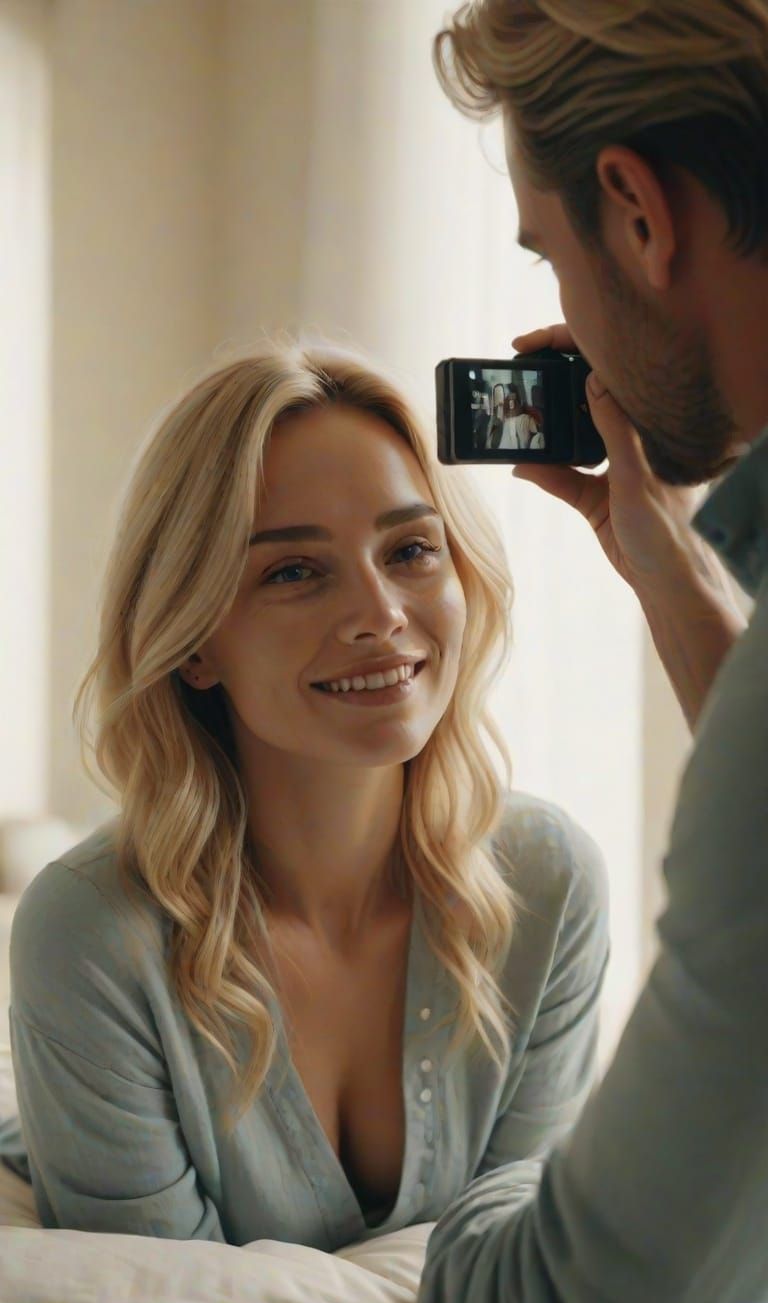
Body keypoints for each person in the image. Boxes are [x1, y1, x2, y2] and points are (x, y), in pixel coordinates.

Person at [0, 340, 611, 1248]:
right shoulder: (91, 936)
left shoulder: (547, 882)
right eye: (294, 571)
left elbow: (530, 1266)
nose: (380, 613)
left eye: (411, 549)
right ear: (194, 639)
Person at [419, 2, 768, 1303]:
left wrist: (474, 1191)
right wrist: (667, 561)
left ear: (636, 209)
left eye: (548, 253)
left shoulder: (547, 875)